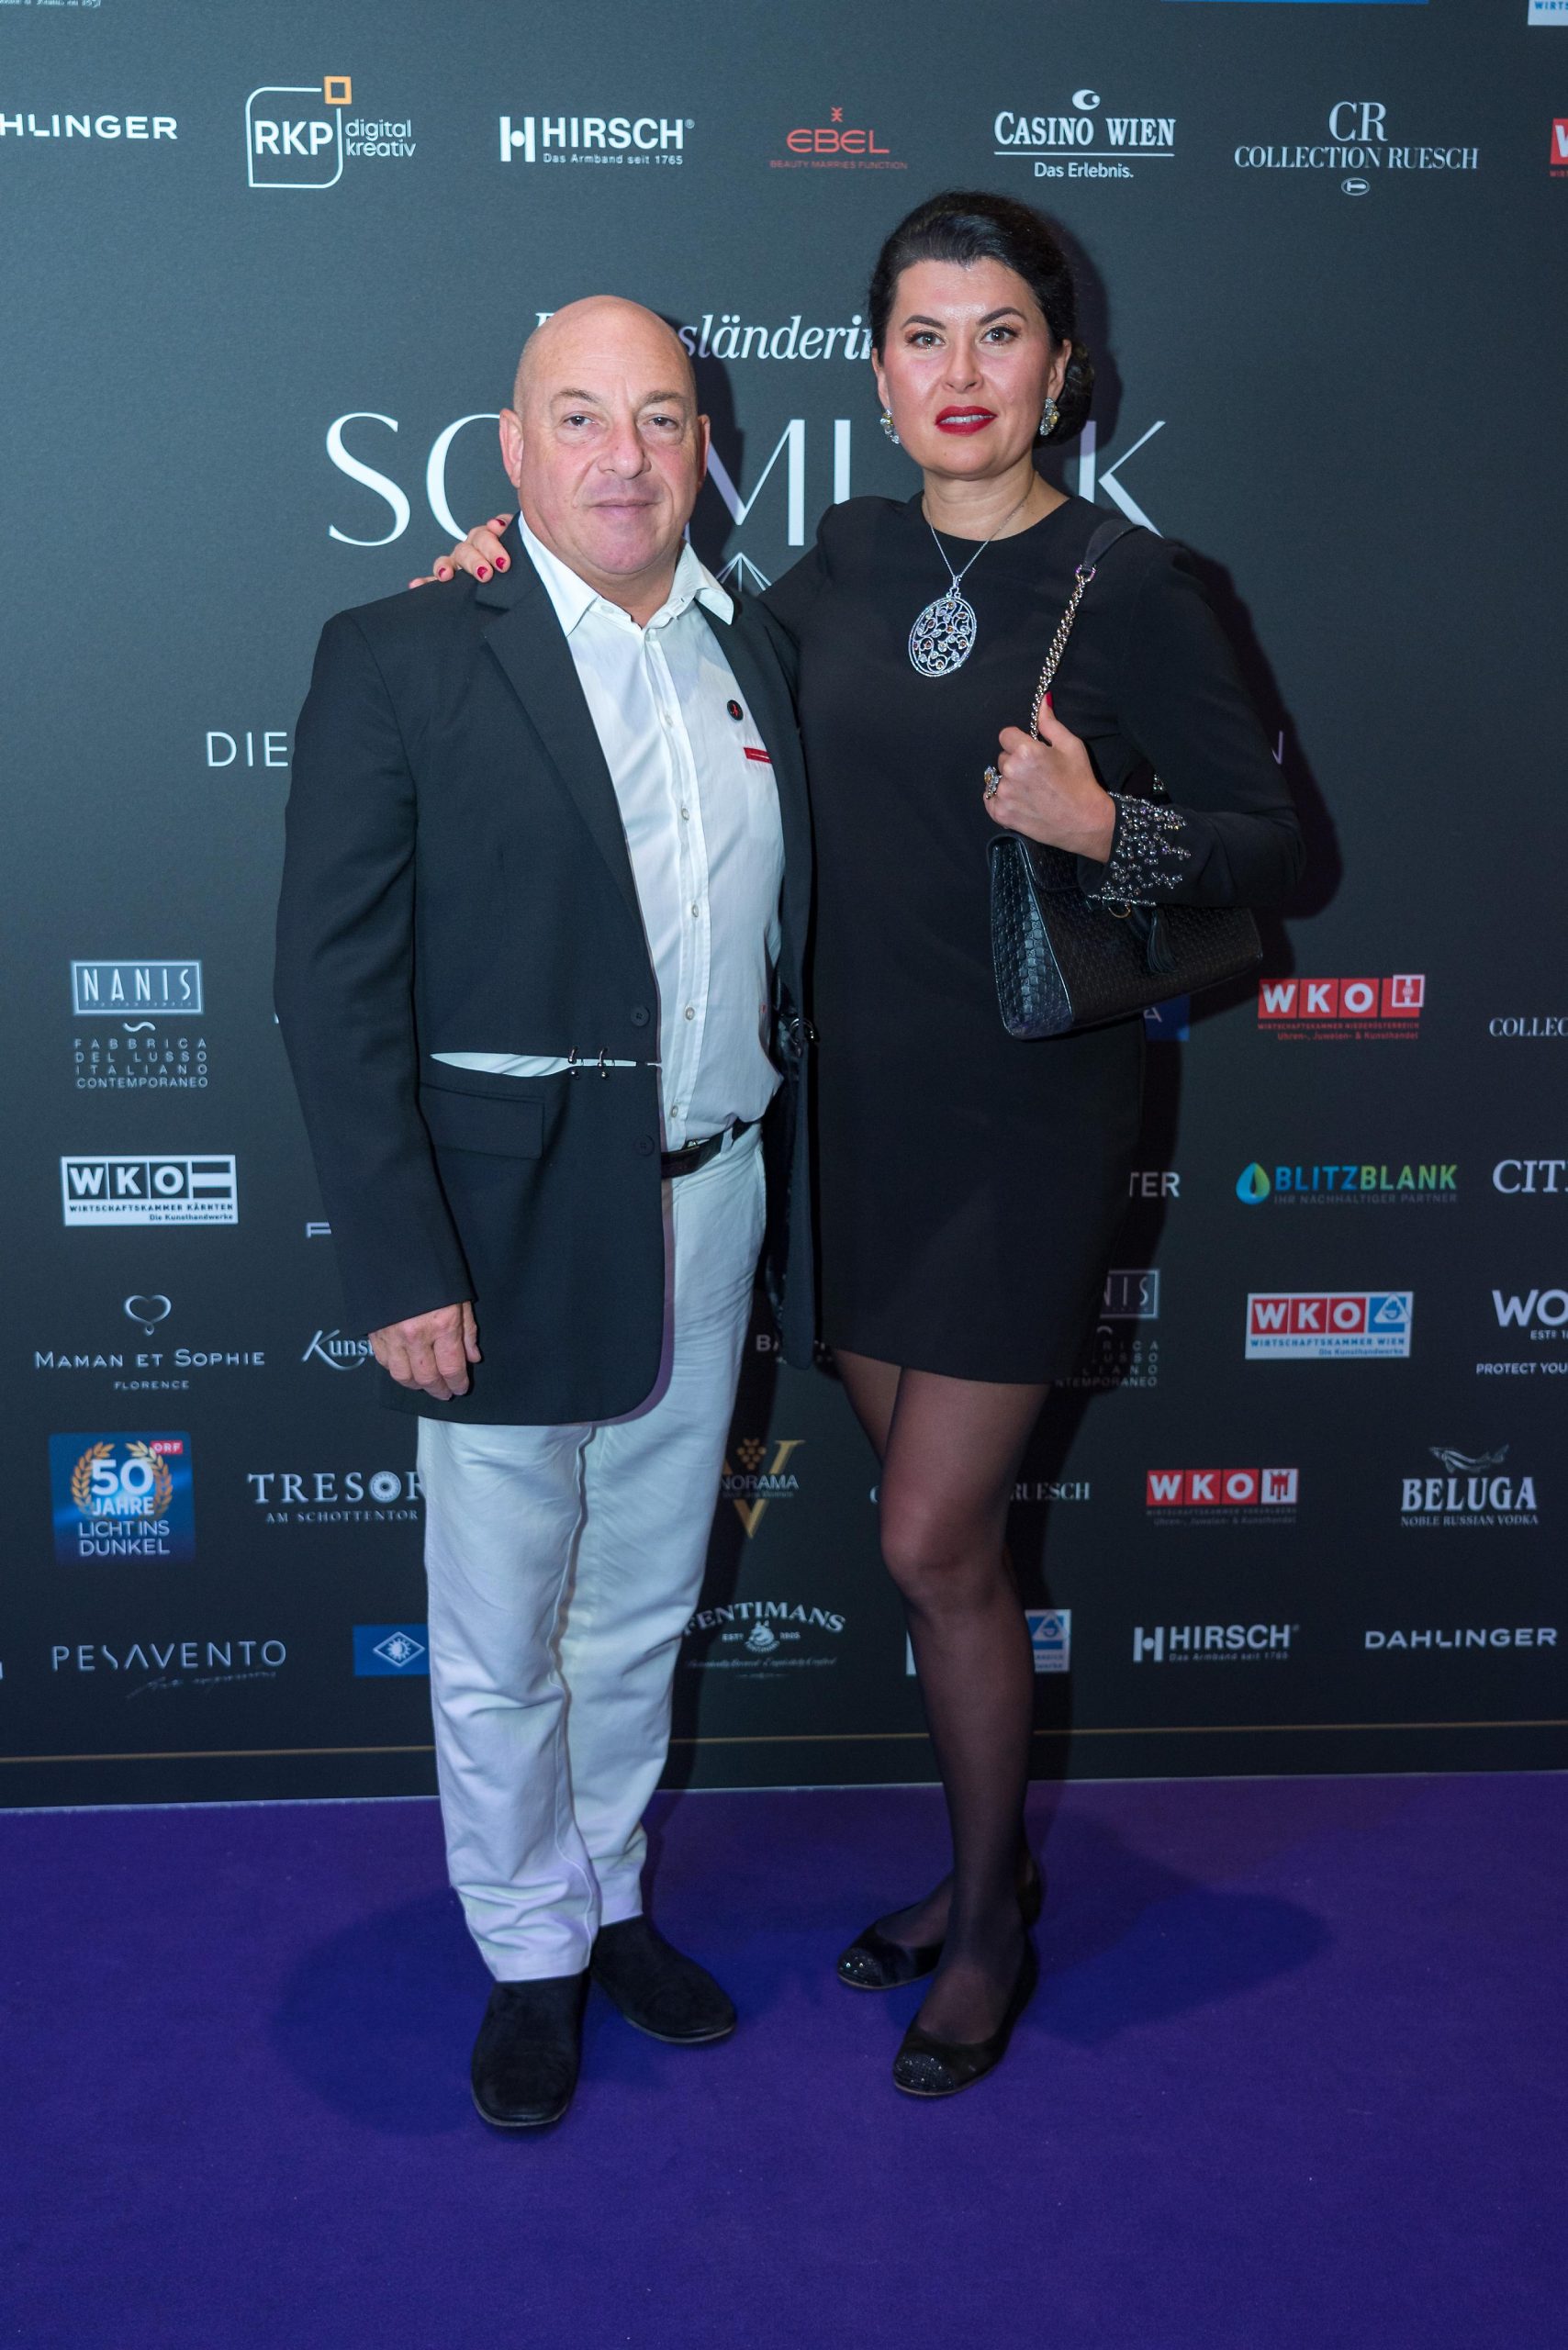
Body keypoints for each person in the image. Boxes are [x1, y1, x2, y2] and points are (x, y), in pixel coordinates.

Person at [430, 190, 1305, 2098]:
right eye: (923, 335)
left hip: (1022, 1130)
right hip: (841, 1125)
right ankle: (976, 1868)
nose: (960, 371)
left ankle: (989, 1923)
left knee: (932, 1542)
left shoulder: (1137, 584)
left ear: (1062, 372)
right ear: (879, 373)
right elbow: (656, 654)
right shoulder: (837, 560)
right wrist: (509, 572)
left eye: (1000, 334)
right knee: (933, 1553)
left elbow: (1276, 848)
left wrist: (1108, 831)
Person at [275, 297, 814, 2131]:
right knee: (503, 1622)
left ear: (702, 449)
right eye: (576, 417)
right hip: (500, 1230)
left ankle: (611, 1893)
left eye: (659, 417)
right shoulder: (406, 651)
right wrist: (401, 1259)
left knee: (643, 1601)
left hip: (714, 1201)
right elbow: (333, 986)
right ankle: (525, 1944)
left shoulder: (757, 653)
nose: (622, 456)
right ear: (510, 452)